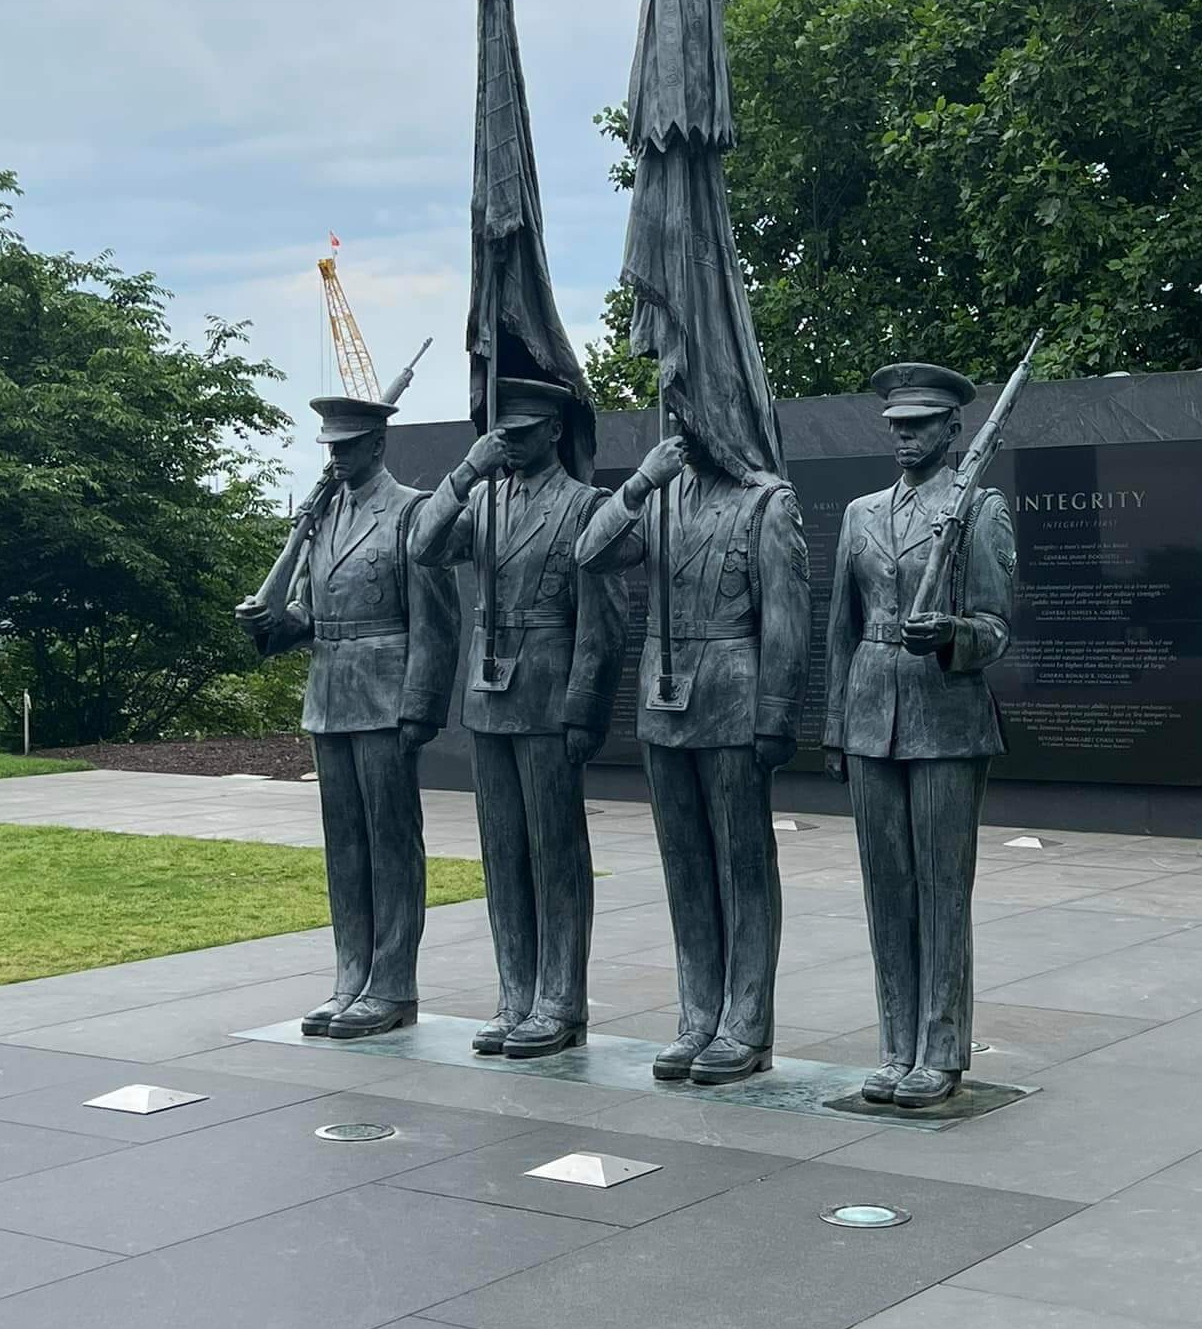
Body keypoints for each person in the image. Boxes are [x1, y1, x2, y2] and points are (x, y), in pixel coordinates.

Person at [576, 428, 809, 1084]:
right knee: (685, 870)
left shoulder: (766, 502)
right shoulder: (659, 495)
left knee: (742, 866)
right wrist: (640, 482)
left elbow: (787, 618)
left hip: (733, 699)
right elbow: (589, 553)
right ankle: (697, 1016)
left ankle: (745, 1025)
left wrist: (776, 712)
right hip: (664, 703)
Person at [410, 378, 627, 1057]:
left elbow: (604, 623)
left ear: (555, 432)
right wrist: (468, 466)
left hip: (548, 693)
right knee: (502, 853)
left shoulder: (586, 505)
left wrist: (584, 709)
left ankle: (560, 999)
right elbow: (422, 545)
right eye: (501, 434)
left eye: (522, 432)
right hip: (489, 694)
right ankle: (515, 993)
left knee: (555, 852)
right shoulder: (484, 501)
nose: (509, 443)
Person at [236, 395, 459, 1038]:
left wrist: (421, 706)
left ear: (376, 446)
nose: (333, 457)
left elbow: (437, 622)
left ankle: (391, 985)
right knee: (347, 849)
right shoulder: (322, 517)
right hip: (330, 696)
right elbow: (308, 615)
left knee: (392, 845)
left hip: (387, 695)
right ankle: (350, 976)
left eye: (345, 446)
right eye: (329, 447)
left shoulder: (412, 512)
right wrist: (272, 623)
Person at [823, 362, 1016, 1108]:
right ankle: (894, 1043)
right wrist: (836, 728)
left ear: (952, 428)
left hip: (946, 715)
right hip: (873, 712)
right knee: (887, 891)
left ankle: (939, 1049)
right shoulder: (862, 513)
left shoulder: (979, 508)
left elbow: (998, 626)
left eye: (921, 425)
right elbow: (840, 629)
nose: (906, 437)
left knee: (941, 893)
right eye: (897, 425)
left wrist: (952, 633)